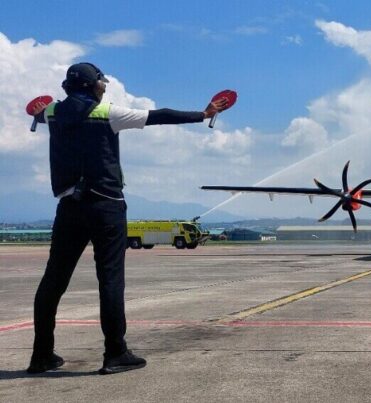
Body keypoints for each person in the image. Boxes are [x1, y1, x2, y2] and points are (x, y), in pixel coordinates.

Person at [26, 62, 229, 375]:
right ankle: (115, 352)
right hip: (105, 205)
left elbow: (40, 112)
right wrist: (203, 114)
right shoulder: (107, 112)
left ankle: (41, 355)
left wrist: (40, 109)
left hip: (68, 206)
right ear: (94, 85)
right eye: (102, 82)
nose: (105, 86)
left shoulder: (53, 113)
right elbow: (159, 116)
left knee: (53, 279)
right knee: (109, 278)